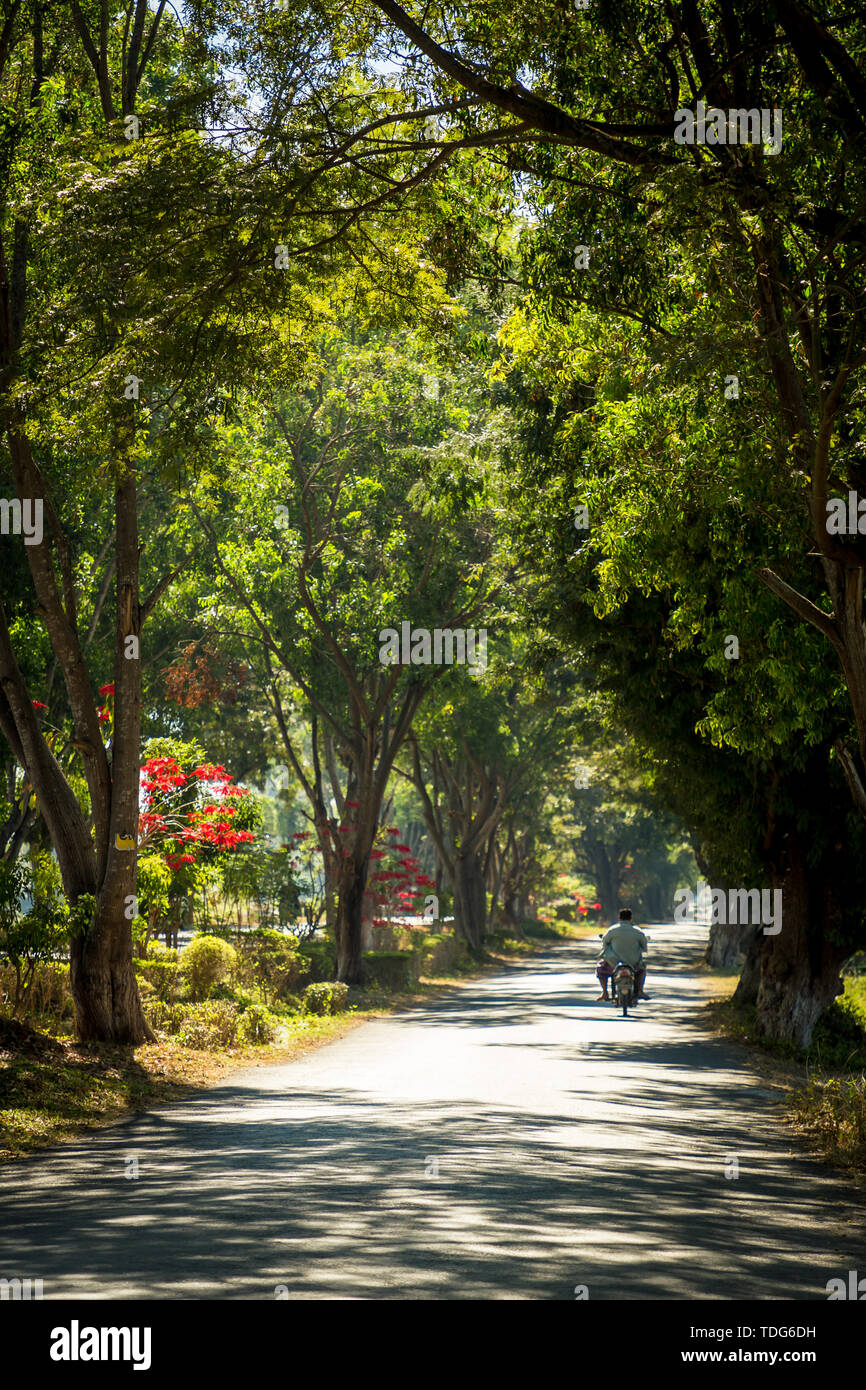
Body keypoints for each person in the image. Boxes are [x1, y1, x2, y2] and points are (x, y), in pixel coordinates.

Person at [596, 908, 649, 1001]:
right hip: (633, 963)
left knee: (600, 969)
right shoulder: (637, 931)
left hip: (614, 963)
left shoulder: (612, 930)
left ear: (619, 918)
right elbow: (644, 947)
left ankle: (604, 992)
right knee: (642, 970)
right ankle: (640, 991)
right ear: (631, 918)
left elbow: (604, 943)